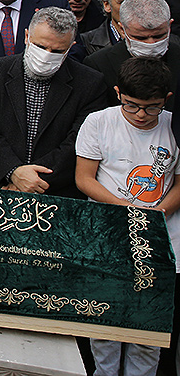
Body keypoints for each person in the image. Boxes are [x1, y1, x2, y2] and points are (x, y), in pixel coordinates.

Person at [76, 57, 180, 376]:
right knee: (105, 326)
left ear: (166, 101)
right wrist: (121, 206)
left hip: (162, 242)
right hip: (108, 239)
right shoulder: (99, 122)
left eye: (152, 108)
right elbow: (85, 178)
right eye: (131, 105)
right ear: (118, 93)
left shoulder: (174, 125)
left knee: (148, 333)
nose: (141, 115)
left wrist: (160, 211)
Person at [0, 7, 108, 197]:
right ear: (27, 36)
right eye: (41, 47)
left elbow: (76, 142)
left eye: (57, 51)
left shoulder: (90, 83)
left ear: (71, 46)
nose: (47, 55)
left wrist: (33, 180)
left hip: (55, 192)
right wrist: (13, 172)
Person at [85, 0, 180, 105]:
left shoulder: (177, 56)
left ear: (169, 26)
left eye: (159, 36)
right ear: (122, 29)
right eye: (140, 38)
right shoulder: (98, 64)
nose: (151, 43)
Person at [80, 0, 155, 56]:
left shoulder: (170, 43)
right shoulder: (85, 44)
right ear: (107, 5)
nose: (135, 10)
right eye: (124, 3)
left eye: (142, 4)